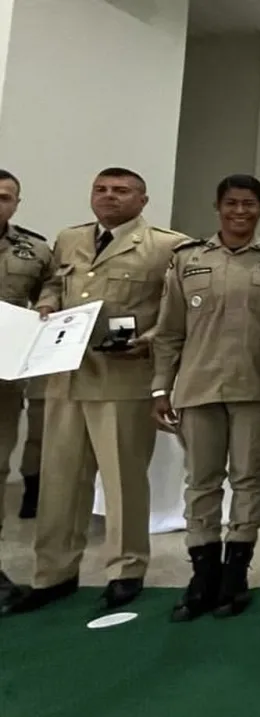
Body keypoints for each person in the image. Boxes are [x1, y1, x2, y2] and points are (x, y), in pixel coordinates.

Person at [2, 167, 189, 615]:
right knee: (60, 479)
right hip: (65, 375)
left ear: (142, 200)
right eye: (101, 189)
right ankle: (54, 572)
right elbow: (54, 282)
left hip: (122, 379)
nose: (109, 197)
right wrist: (47, 303)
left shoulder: (168, 245)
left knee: (122, 479)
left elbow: (174, 308)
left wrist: (149, 338)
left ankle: (125, 569)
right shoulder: (70, 239)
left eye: (121, 191)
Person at [152, 175, 260, 621]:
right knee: (202, 481)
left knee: (250, 479)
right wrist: (161, 386)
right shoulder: (187, 260)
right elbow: (170, 331)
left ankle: (236, 573)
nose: (239, 211)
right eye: (231, 203)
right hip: (199, 386)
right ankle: (203, 574)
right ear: (217, 207)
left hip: (256, 387)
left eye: (249, 204)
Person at [0, 169, 52, 606]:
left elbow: (52, 289)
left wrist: (50, 307)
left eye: (4, 197)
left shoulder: (32, 250)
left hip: (3, 375)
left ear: (16, 203)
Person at [17, 377, 45, 519]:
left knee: (35, 441)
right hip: (55, 386)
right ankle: (32, 495)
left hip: (39, 386)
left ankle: (31, 497)